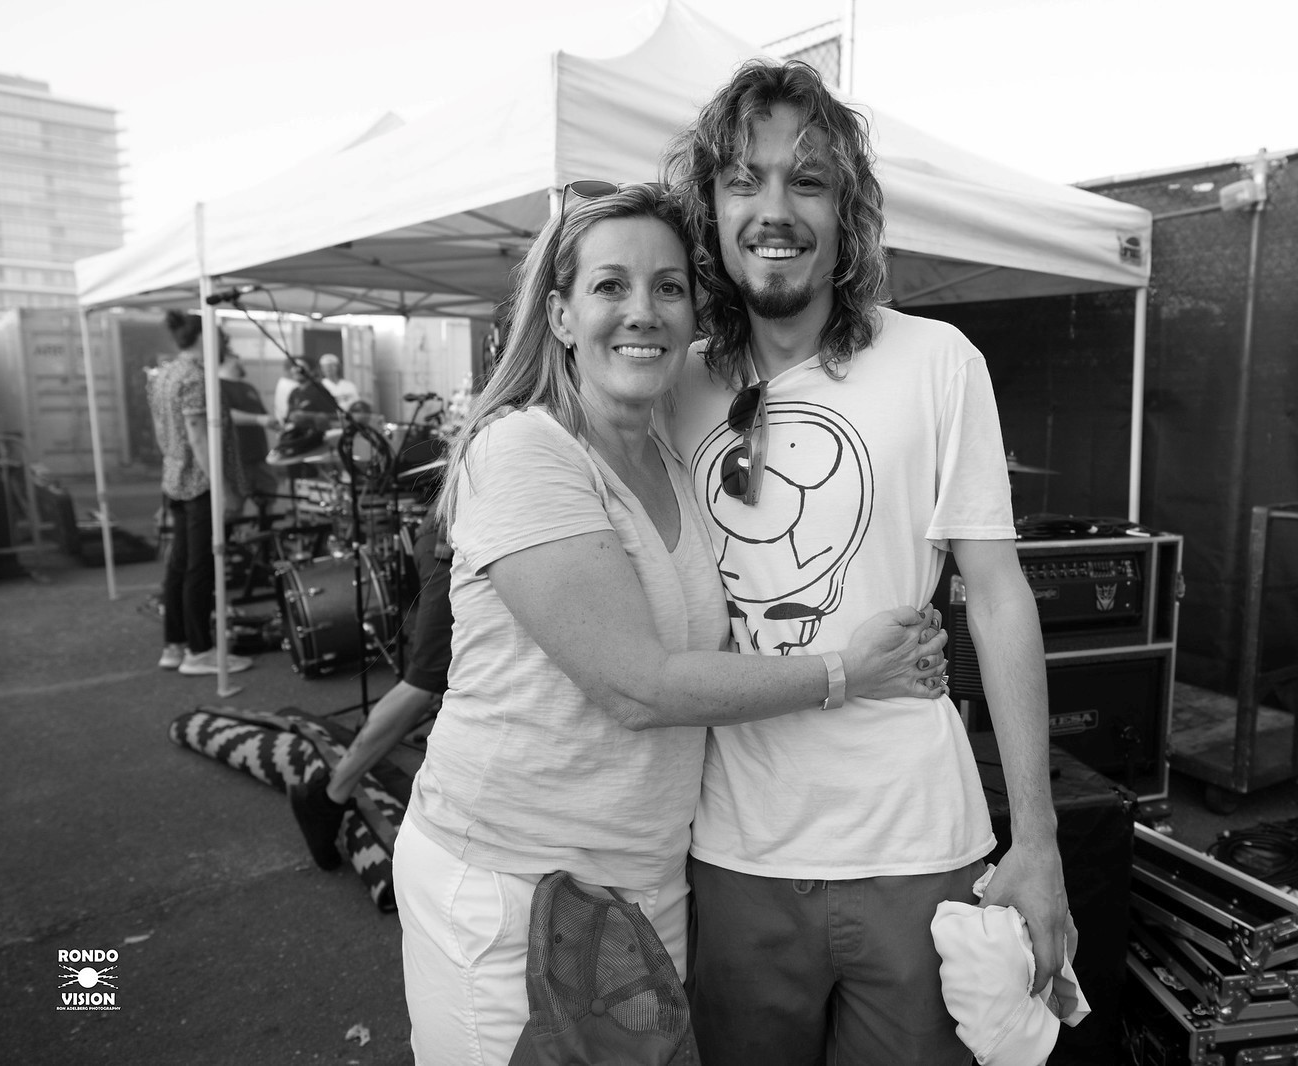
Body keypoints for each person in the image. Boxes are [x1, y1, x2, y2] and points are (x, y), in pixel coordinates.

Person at [391, 182, 950, 1065]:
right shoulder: (525, 450)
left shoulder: (670, 455)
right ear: (562, 315)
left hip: (644, 879)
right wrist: (850, 671)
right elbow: (637, 686)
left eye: (668, 286)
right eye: (610, 287)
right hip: (510, 882)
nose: (642, 312)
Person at [657, 60, 1071, 1065]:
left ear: (848, 212)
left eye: (807, 182)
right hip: (735, 849)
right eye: (744, 180)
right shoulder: (671, 384)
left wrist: (1039, 838)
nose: (774, 210)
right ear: (707, 208)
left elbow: (998, 595)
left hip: (918, 845)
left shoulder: (937, 361)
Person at [287, 508, 452, 870]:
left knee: (432, 680)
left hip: (460, 539)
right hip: (450, 544)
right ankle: (329, 795)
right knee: (423, 681)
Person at [148, 310, 253, 676]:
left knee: (179, 565)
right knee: (200, 567)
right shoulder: (195, 377)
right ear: (204, 339)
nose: (226, 345)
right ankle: (200, 650)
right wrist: (222, 489)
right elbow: (198, 434)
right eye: (222, 338)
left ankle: (175, 645)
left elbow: (169, 431)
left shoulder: (166, 374)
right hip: (198, 484)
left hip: (175, 479)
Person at [217, 342, 280, 520]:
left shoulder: (249, 388)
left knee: (268, 499)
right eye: (233, 357)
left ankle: (266, 541)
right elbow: (225, 415)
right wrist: (258, 420)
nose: (239, 360)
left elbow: (262, 414)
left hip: (259, 456)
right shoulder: (218, 386)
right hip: (237, 458)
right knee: (234, 506)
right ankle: (230, 542)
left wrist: (273, 423)